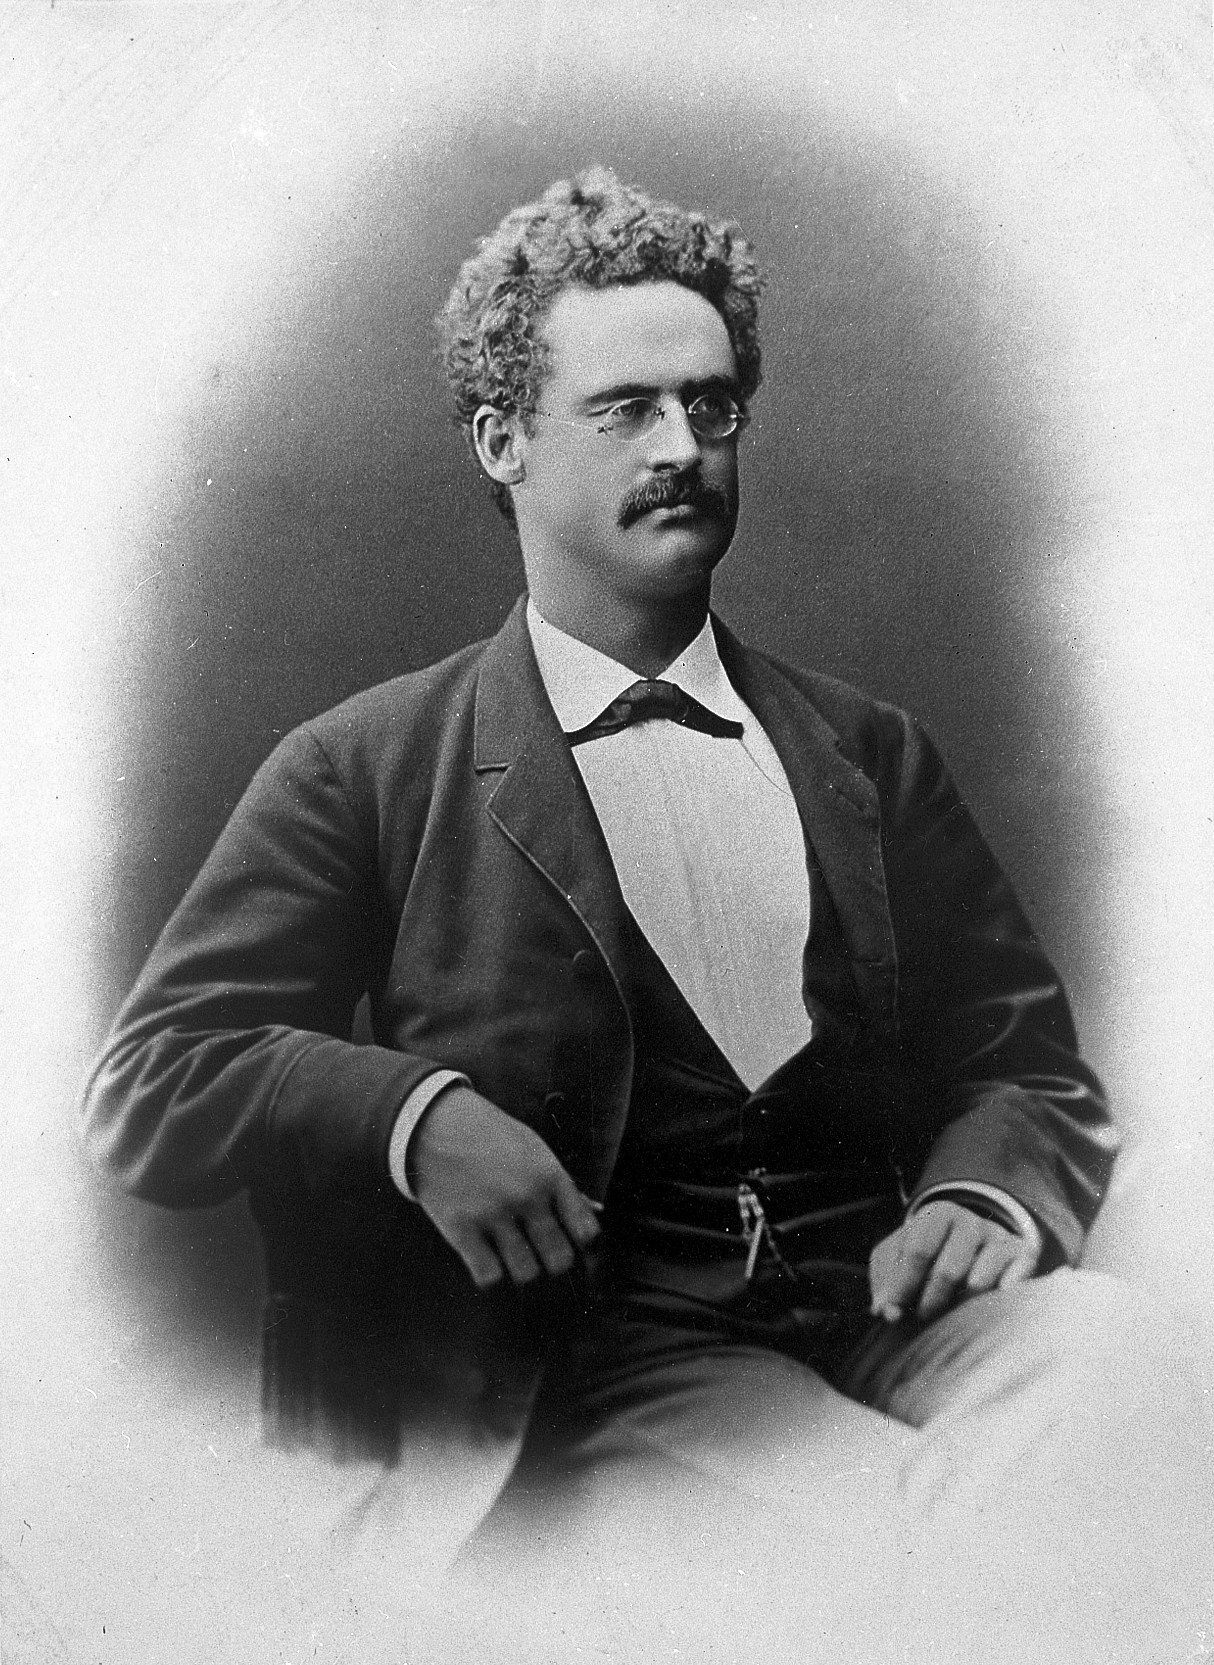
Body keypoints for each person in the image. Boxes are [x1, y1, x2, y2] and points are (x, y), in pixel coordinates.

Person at [81, 168, 1210, 1662]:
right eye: (623, 410)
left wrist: (978, 1198)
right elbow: (151, 1081)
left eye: (711, 406)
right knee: (890, 1544)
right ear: (503, 441)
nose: (682, 447)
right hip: (604, 1360)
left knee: (1144, 1378)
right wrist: (413, 1114)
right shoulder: (365, 765)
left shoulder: (868, 754)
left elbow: (1026, 1068)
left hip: (885, 1306)